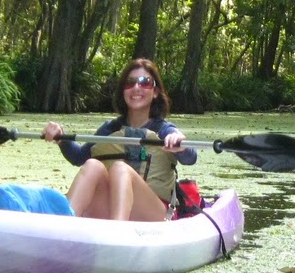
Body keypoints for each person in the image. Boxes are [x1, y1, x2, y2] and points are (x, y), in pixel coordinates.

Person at [42, 58, 197, 221]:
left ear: (156, 92)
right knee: (93, 165)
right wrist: (61, 137)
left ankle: (117, 233)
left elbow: (190, 158)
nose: (136, 87)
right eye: (130, 83)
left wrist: (180, 143)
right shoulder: (110, 129)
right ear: (123, 90)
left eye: (145, 82)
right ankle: (64, 225)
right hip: (113, 207)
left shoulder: (165, 130)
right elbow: (78, 157)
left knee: (120, 169)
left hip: (154, 212)